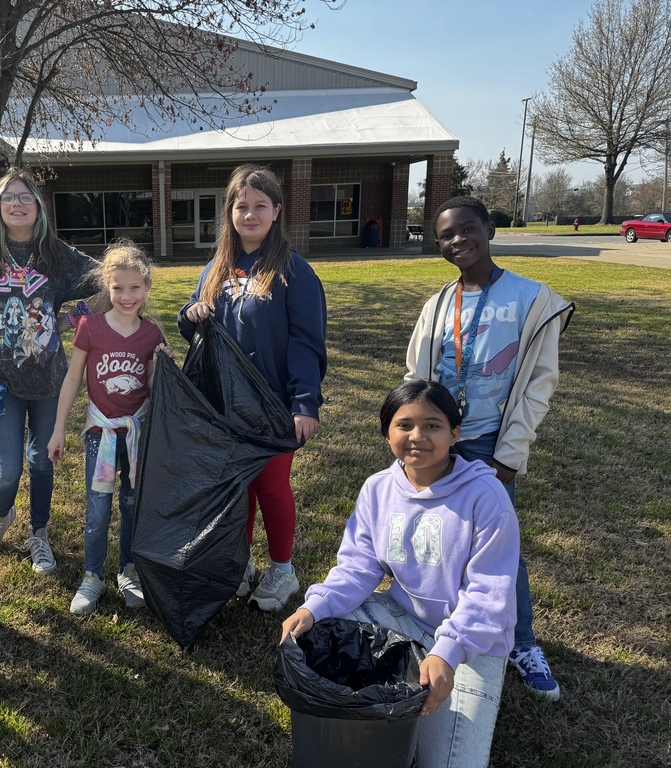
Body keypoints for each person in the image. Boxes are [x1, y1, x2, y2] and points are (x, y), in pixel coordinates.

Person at [281, 380, 519, 768]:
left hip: (473, 646)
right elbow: (359, 567)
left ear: (455, 434)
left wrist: (448, 652)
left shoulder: (486, 497)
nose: (417, 437)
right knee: (320, 627)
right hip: (402, 617)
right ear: (386, 432)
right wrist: (314, 608)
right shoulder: (378, 489)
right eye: (404, 425)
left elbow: (488, 595)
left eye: (433, 425)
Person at [406, 194, 574, 701]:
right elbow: (415, 376)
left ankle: (520, 642)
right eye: (445, 236)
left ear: (490, 230)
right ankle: (442, 626)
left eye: (466, 229)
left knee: (498, 550)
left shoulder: (532, 299)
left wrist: (509, 454)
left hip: (486, 445)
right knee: (435, 537)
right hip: (438, 443)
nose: (457, 240)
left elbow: (538, 385)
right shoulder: (438, 303)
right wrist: (414, 438)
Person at [177, 164, 327, 612]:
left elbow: (306, 342)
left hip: (274, 404)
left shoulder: (293, 272)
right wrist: (191, 313)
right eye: (241, 206)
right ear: (230, 212)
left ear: (277, 211)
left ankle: (282, 569)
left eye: (260, 205)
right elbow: (195, 326)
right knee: (235, 488)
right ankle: (239, 562)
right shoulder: (217, 266)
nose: (250, 214)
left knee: (271, 485)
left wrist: (304, 403)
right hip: (225, 403)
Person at [0, 168, 101, 574]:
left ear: (38, 207)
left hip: (49, 378)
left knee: (42, 460)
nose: (17, 204)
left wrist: (69, 321)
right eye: (9, 197)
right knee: (8, 466)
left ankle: (39, 534)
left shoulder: (56, 254)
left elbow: (108, 282)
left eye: (25, 197)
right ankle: (0, 518)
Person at [47, 243, 167, 615]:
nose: (126, 296)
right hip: (100, 434)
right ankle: (93, 574)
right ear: (106, 288)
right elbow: (72, 380)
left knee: (132, 505)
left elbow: (153, 390)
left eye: (135, 288)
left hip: (136, 435)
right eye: (118, 288)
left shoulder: (151, 335)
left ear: (146, 287)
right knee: (98, 511)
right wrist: (58, 429)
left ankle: (128, 570)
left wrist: (162, 366)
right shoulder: (91, 327)